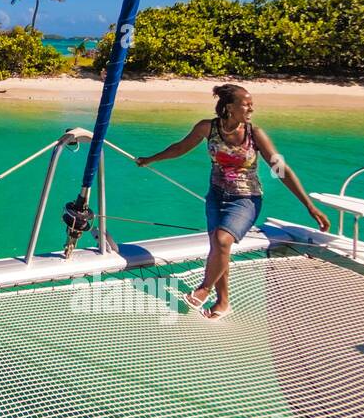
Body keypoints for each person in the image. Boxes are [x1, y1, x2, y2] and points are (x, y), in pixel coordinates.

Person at [134, 85, 330, 319]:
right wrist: (150, 160)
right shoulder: (208, 127)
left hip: (246, 199)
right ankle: (223, 303)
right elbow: (180, 147)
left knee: (221, 239)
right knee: (220, 248)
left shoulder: (255, 134)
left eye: (251, 103)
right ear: (229, 107)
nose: (251, 108)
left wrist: (309, 206)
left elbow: (281, 169)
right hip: (216, 197)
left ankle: (204, 289)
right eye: (246, 104)